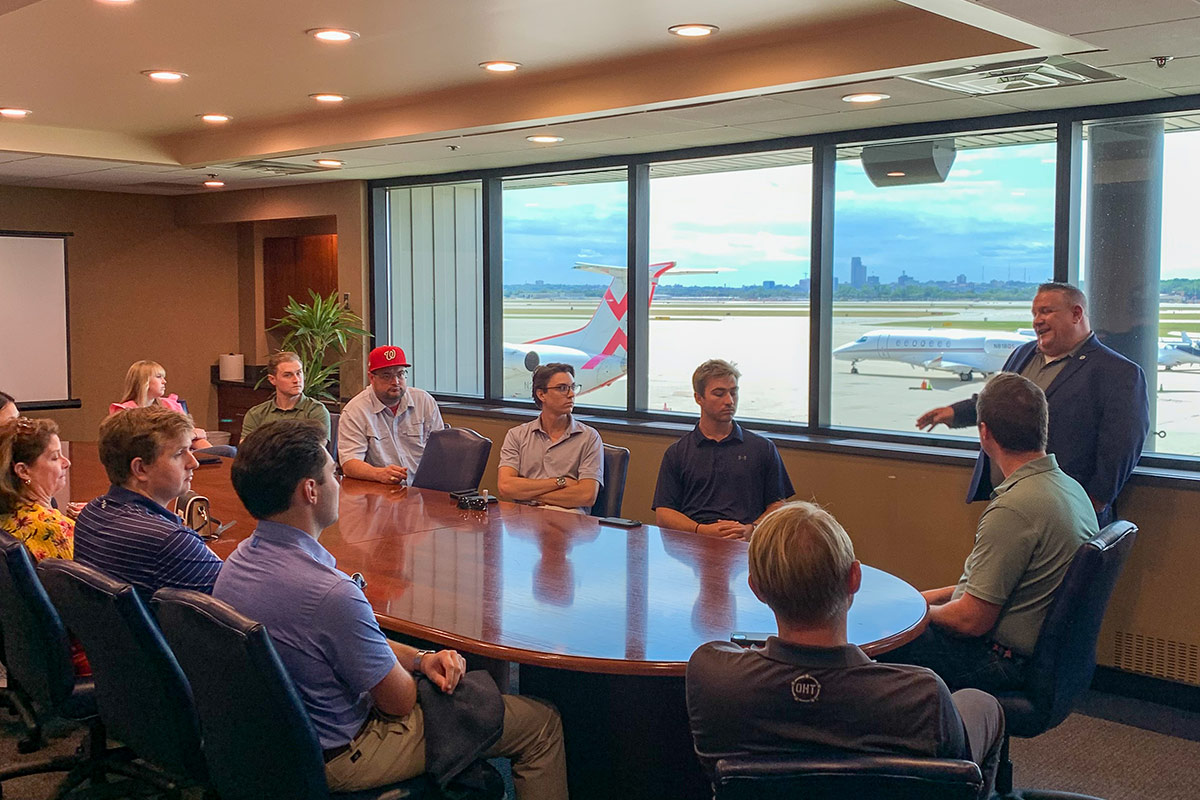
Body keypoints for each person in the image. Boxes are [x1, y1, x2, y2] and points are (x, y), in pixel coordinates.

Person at [215, 420, 567, 797]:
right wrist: (412, 672)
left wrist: (419, 658)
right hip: (344, 755)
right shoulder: (331, 594)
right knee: (540, 724)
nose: (339, 483)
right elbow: (398, 703)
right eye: (334, 473)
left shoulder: (235, 564)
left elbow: (348, 642)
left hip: (276, 746)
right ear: (311, 491)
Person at [686, 501, 1003, 799]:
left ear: (757, 589)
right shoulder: (923, 695)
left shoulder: (713, 678)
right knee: (982, 705)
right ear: (854, 578)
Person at [888, 373, 1097, 693]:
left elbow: (970, 621)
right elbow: (984, 589)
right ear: (1042, 424)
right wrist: (915, 600)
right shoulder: (1069, 489)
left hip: (1001, 662)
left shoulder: (1014, 509)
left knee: (879, 646)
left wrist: (914, 614)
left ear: (984, 432)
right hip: (1045, 659)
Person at [917, 282, 1148, 526]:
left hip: (1067, 514)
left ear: (1076, 314)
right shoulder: (1022, 354)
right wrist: (955, 413)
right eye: (1035, 313)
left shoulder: (1119, 373)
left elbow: (1122, 447)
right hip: (1008, 503)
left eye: (1046, 311)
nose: (1037, 320)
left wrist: (1094, 502)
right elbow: (997, 403)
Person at [74, 405, 222, 601]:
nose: (193, 462)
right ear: (140, 468)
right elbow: (239, 596)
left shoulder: (90, 513)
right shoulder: (170, 540)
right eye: (179, 453)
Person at [653, 359, 793, 539]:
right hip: (695, 542)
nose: (729, 401)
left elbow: (778, 504)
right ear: (698, 398)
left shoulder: (762, 448)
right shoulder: (677, 453)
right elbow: (664, 513)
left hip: (747, 543)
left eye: (733, 393)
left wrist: (752, 529)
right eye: (719, 394)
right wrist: (701, 530)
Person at [0, 416, 91, 676]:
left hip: (32, 658)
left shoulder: (8, 516)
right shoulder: (51, 528)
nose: (67, 462)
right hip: (82, 654)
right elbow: (98, 598)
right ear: (23, 471)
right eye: (54, 457)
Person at [497, 363, 603, 513]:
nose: (571, 394)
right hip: (524, 520)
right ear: (541, 395)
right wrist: (561, 482)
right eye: (562, 388)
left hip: (569, 518)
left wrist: (530, 494)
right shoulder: (517, 435)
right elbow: (506, 486)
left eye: (572, 387)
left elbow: (587, 495)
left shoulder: (589, 437)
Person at [338, 345, 443, 484]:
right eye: (387, 376)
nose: (396, 382)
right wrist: (378, 474)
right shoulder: (355, 411)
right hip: (382, 491)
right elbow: (349, 463)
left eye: (400, 374)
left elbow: (441, 451)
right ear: (371, 378)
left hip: (425, 489)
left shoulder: (424, 401)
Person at [110, 360, 214, 450]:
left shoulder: (170, 404)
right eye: (159, 377)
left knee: (226, 451)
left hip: (184, 453)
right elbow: (148, 443)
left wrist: (213, 453)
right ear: (143, 382)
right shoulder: (125, 412)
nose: (164, 381)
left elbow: (193, 437)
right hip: (154, 458)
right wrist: (192, 434)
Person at [238, 351, 331, 441]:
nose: (296, 380)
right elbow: (245, 449)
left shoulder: (315, 411)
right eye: (288, 375)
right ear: (272, 379)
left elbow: (317, 450)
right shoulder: (256, 414)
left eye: (299, 373)